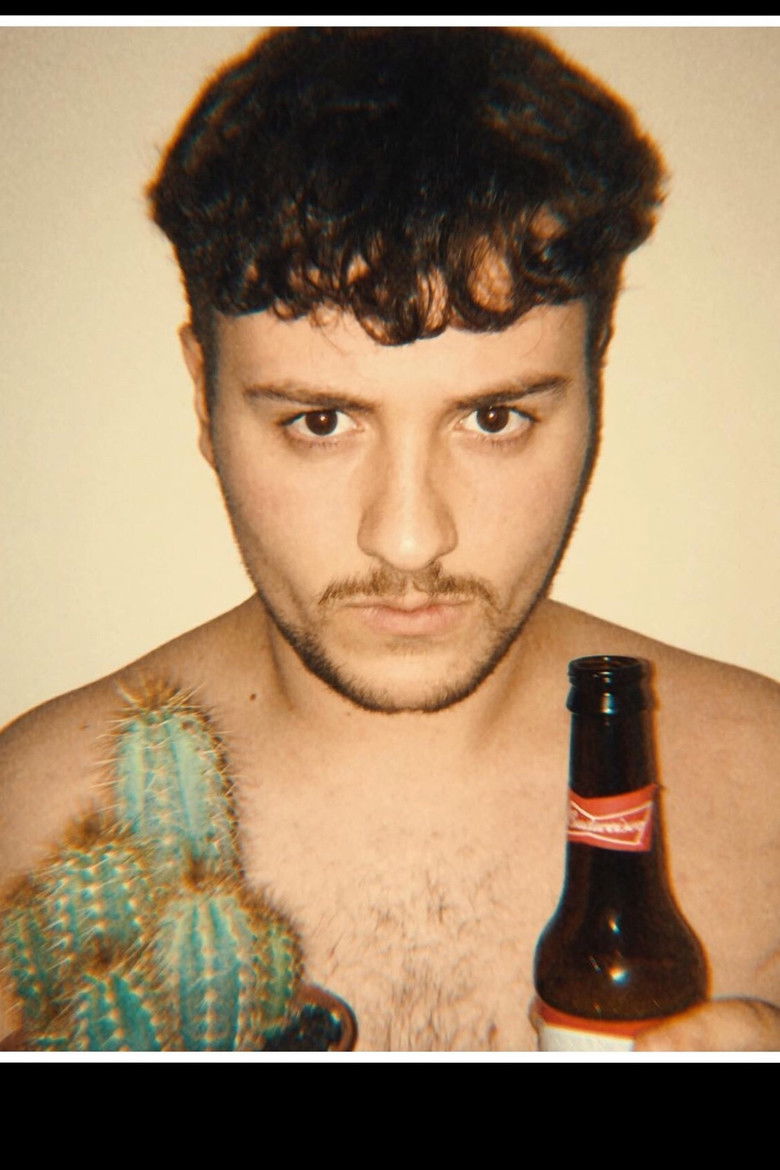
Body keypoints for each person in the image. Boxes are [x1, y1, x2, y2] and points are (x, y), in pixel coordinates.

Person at [0, 26, 777, 1053]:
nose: (409, 540)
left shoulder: (771, 799)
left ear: (596, 379)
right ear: (203, 397)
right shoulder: (25, 826)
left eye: (494, 418)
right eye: (320, 421)